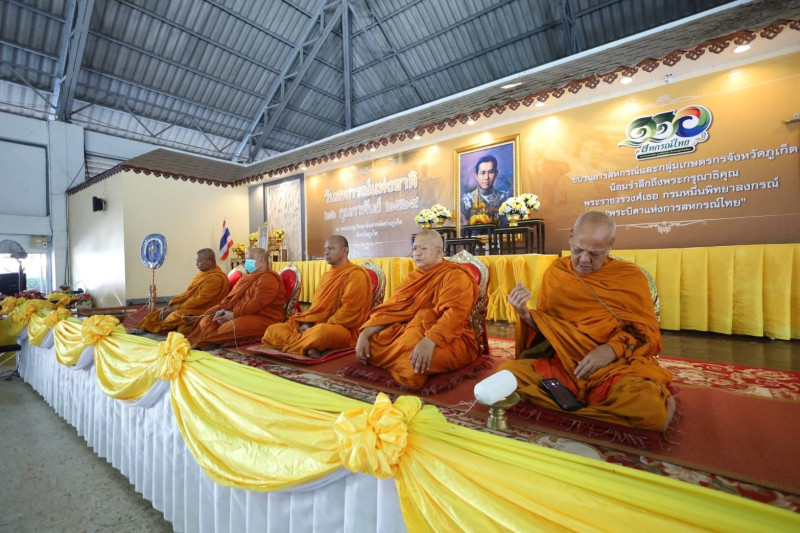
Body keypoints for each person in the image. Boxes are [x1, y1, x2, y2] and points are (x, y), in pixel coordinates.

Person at [498, 211, 675, 431]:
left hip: (616, 369)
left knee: (648, 410)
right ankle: (591, 413)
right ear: (570, 237)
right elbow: (549, 332)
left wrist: (611, 350)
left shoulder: (629, 277)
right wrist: (524, 313)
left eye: (594, 254)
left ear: (610, 245)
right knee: (506, 376)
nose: (583, 260)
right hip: (564, 366)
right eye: (578, 250)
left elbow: (647, 335)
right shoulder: (557, 273)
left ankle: (568, 412)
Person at [355, 230, 479, 389]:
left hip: (451, 338)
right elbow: (390, 310)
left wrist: (430, 341)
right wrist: (365, 334)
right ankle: (402, 359)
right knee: (370, 345)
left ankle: (402, 360)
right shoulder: (413, 277)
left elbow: (455, 316)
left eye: (423, 248)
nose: (417, 253)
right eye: (414, 249)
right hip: (409, 332)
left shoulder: (455, 276)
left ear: (439, 251)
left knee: (412, 358)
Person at [261, 235, 372, 357]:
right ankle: (308, 346)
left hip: (343, 329)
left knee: (321, 333)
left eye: (331, 248)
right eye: (325, 249)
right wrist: (308, 323)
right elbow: (316, 309)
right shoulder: (326, 276)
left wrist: (316, 326)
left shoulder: (356, 275)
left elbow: (350, 311)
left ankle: (304, 343)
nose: (326, 252)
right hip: (316, 325)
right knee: (272, 330)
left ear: (344, 250)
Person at [187, 247, 285, 349]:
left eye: (249, 259)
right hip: (238, 312)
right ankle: (212, 339)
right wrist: (222, 310)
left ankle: (208, 341)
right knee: (208, 319)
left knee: (232, 326)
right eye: (246, 259)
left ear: (261, 261)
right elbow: (231, 299)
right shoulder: (246, 278)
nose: (246, 262)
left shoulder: (269, 279)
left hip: (264, 317)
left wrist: (234, 315)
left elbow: (257, 303)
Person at [136, 248, 228, 335]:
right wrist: (175, 303)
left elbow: (200, 300)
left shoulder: (217, 278)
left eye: (199, 261)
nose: (196, 264)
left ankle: (166, 326)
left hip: (205, 309)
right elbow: (188, 293)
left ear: (209, 262)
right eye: (196, 261)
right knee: (159, 312)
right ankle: (160, 326)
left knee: (175, 315)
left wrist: (176, 308)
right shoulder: (201, 275)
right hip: (192, 306)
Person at [460, 155, 512, 225]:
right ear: (476, 176)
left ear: (496, 173)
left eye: (491, 172)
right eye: (482, 173)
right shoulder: (467, 201)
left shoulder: (504, 197)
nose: (487, 177)